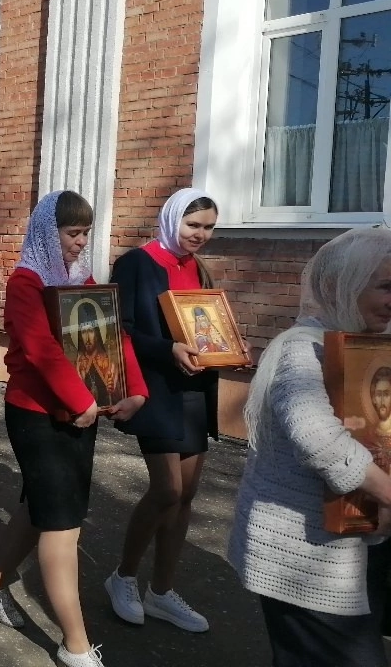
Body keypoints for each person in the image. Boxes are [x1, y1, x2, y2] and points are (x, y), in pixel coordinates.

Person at [0, 190, 147, 667]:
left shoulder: (80, 279)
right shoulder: (26, 281)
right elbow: (41, 348)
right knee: (63, 523)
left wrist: (133, 388)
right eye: (73, 233)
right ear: (49, 234)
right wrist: (82, 398)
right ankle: (75, 645)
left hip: (81, 410)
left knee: (41, 508)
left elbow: (112, 334)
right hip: (37, 414)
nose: (81, 242)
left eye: (86, 233)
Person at [228, 227, 391, 667]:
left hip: (359, 543)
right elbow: (319, 439)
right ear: (341, 286)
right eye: (384, 286)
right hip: (303, 553)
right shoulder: (302, 349)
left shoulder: (367, 343)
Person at [102, 188, 223, 634]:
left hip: (193, 390)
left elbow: (207, 329)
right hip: (154, 390)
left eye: (209, 227)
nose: (201, 234)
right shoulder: (137, 263)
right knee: (167, 490)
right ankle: (123, 578)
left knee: (186, 495)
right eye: (193, 225)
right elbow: (120, 330)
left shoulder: (199, 267)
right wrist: (167, 349)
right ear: (172, 219)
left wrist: (227, 349)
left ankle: (162, 591)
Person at [373, 367, 391, 435]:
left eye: (386, 395)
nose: (382, 401)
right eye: (379, 395)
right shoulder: (370, 435)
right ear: (374, 399)